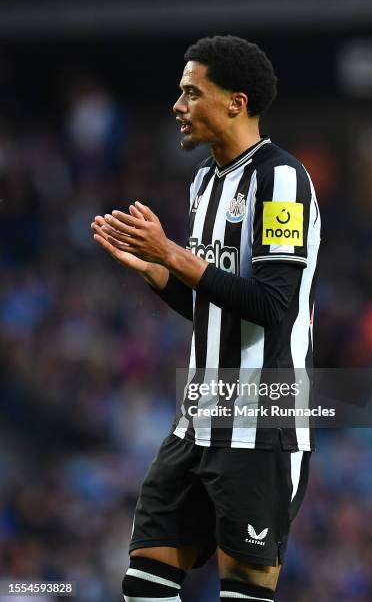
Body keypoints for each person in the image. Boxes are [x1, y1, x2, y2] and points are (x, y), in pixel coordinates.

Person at [92, 35, 320, 602]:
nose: (178, 105)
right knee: (145, 577)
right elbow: (211, 302)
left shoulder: (282, 181)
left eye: (192, 93)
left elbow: (273, 305)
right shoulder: (203, 183)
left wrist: (173, 255)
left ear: (235, 102)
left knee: (243, 590)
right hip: (198, 416)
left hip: (260, 420)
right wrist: (158, 275)